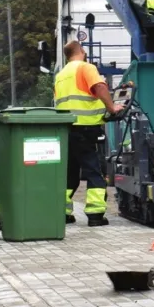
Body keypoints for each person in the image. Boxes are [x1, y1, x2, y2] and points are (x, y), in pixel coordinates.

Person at [53, 41, 123, 226]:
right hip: (86, 129)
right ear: (82, 52)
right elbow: (99, 87)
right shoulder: (86, 68)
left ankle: (62, 213)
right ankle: (95, 214)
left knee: (69, 174)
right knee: (94, 171)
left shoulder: (61, 75)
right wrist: (112, 107)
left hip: (66, 129)